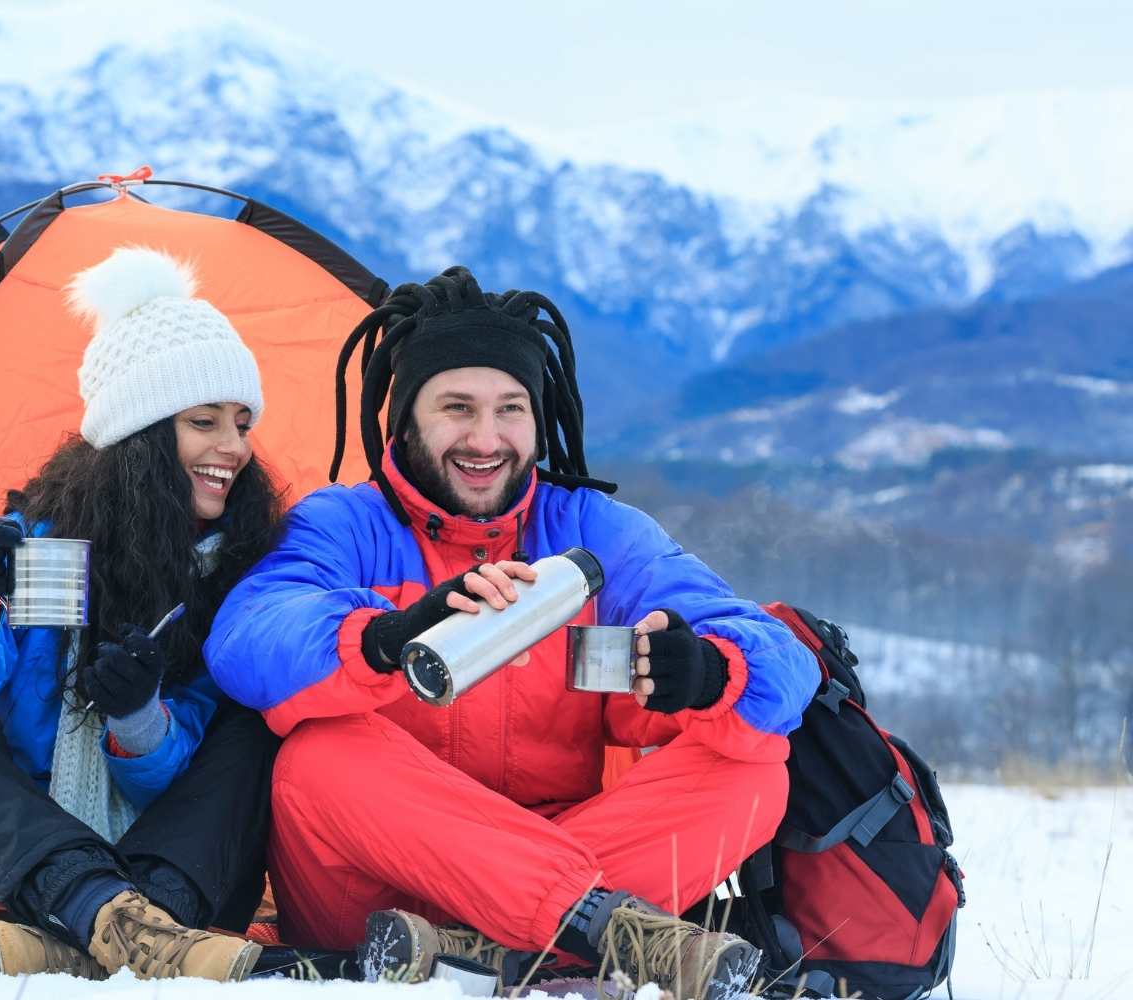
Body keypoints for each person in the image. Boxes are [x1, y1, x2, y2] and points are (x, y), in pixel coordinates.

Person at [204, 267, 819, 999]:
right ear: (405, 420)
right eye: (457, 408)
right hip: (369, 893)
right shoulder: (345, 523)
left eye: (510, 409)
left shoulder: (596, 534)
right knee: (318, 754)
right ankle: (581, 933)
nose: (486, 438)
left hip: (548, 864)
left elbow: (777, 664)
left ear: (540, 418)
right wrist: (386, 636)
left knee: (752, 767)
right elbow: (244, 638)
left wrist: (712, 671)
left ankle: (479, 954)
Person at [0, 246, 284, 982]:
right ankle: (120, 926)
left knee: (258, 733)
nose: (236, 448)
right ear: (142, 436)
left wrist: (138, 719)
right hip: (36, 854)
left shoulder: (236, 574)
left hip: (173, 862)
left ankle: (115, 929)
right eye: (206, 422)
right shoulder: (30, 544)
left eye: (242, 423)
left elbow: (179, 783)